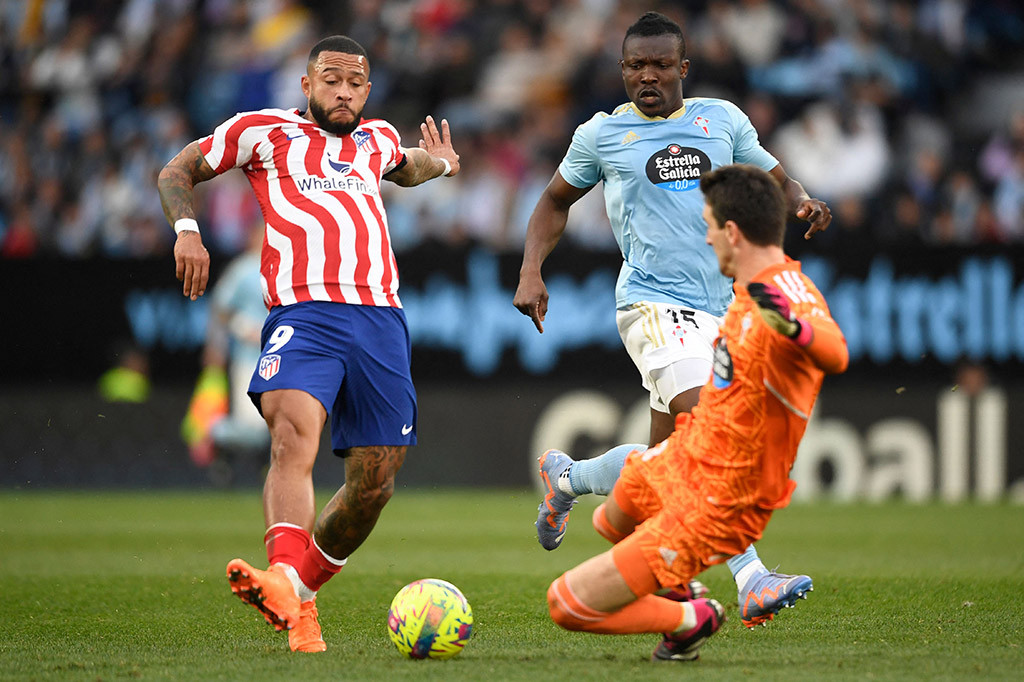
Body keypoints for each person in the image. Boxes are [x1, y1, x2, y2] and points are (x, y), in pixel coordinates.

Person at [513, 11, 832, 626]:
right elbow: (554, 201)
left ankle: (569, 479)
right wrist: (531, 271)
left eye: (660, 65)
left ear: (683, 69)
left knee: (666, 461)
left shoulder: (722, 121)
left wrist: (803, 201)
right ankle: (752, 579)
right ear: (623, 70)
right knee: (710, 422)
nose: (648, 76)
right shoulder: (602, 135)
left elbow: (776, 179)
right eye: (636, 66)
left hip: (721, 309)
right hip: (652, 305)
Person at [157, 35, 460, 653]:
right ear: (306, 85)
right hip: (304, 310)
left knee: (375, 483)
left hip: (379, 316)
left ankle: (298, 591)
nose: (343, 91)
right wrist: (187, 231)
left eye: (355, 82)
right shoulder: (261, 131)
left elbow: (409, 166)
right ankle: (285, 583)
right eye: (331, 79)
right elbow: (177, 169)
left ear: (367, 90)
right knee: (292, 436)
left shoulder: (375, 140)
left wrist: (446, 164)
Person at [545, 163, 848, 661]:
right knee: (611, 519)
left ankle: (692, 618)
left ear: (731, 232)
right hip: (686, 459)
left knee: (567, 605)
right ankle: (668, 576)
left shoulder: (782, 297)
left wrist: (794, 328)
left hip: (717, 496)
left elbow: (834, 351)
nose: (705, 241)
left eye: (708, 228)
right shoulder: (743, 294)